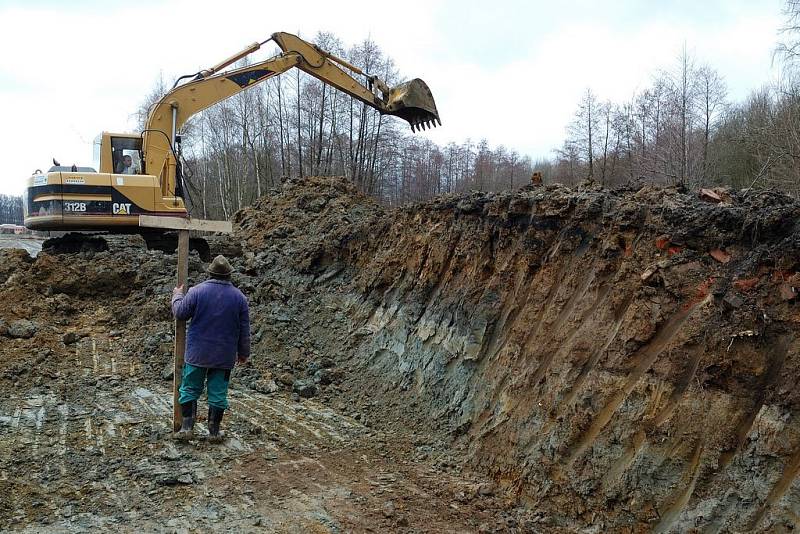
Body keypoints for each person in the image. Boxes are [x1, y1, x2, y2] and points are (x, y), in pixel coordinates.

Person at [171, 255, 250, 441]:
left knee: (189, 388)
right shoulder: (240, 298)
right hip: (224, 356)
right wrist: (244, 352)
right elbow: (244, 330)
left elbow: (180, 313)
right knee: (218, 393)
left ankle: (186, 428)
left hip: (197, 353)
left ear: (210, 273)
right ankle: (214, 432)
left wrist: (176, 295)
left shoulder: (197, 292)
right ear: (229, 275)